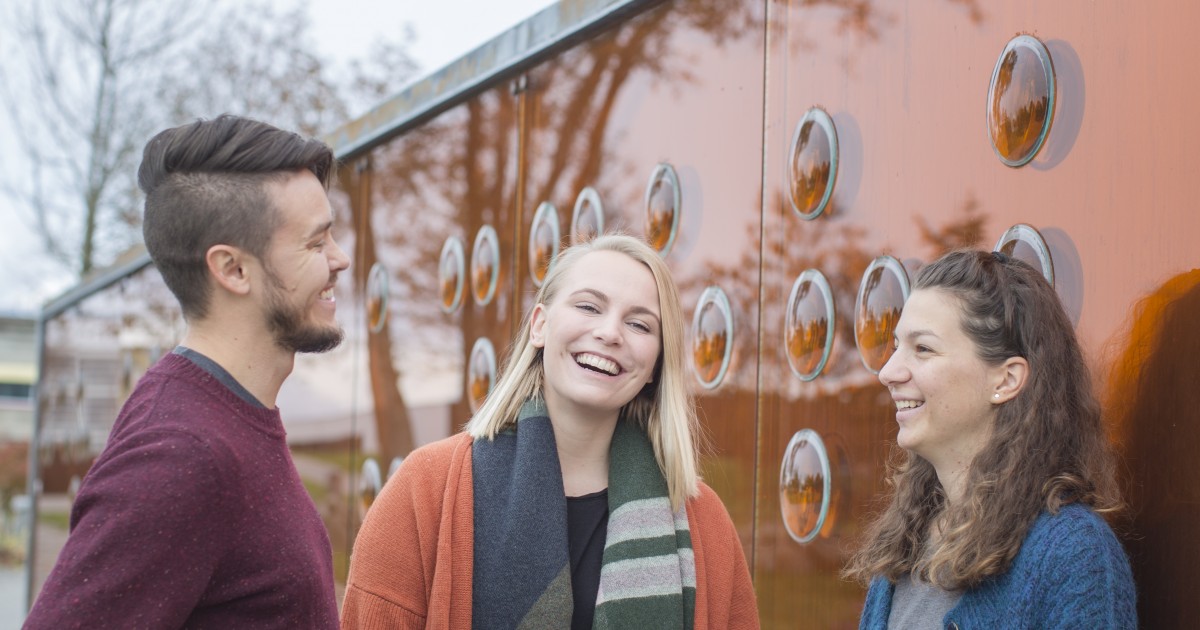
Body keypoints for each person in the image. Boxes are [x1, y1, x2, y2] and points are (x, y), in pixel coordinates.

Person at [25, 114, 349, 628]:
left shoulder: (222, 420)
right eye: (315, 243)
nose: (341, 259)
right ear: (233, 269)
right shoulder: (183, 453)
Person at [341, 234, 759, 629]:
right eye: (589, 307)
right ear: (540, 325)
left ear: (655, 365)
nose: (610, 333)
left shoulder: (703, 522)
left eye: (639, 325)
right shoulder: (426, 489)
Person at [844, 250, 1135, 629]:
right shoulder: (906, 544)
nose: (888, 372)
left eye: (923, 349)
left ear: (1006, 380)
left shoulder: (1073, 554)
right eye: (897, 346)